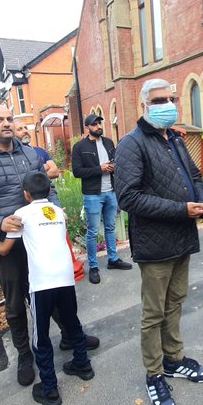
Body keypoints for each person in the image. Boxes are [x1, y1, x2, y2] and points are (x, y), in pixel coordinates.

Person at [0, 105, 99, 387]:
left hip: (40, 238)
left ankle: (71, 336)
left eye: (10, 118)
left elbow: (48, 188)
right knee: (16, 303)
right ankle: (24, 354)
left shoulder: (28, 153)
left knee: (51, 290)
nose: (7, 123)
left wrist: (55, 211)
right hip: (8, 242)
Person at [113, 78, 203, 405]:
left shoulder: (175, 140)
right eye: (159, 100)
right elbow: (129, 198)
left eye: (170, 98)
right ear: (144, 106)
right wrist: (181, 209)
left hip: (182, 238)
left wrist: (200, 201)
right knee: (154, 312)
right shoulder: (132, 144)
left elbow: (195, 176)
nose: (167, 104)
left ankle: (174, 359)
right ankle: (154, 374)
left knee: (175, 302)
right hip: (155, 244)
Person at [0, 171, 93, 405]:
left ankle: (49, 389)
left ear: (26, 194)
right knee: (72, 322)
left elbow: (4, 250)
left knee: (40, 337)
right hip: (65, 278)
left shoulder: (21, 214)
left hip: (42, 283)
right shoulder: (58, 211)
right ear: (48, 190)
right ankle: (83, 365)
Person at [71, 113, 132, 284]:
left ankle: (113, 259)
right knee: (92, 232)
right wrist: (100, 169)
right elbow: (77, 172)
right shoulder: (79, 147)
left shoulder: (108, 142)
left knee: (111, 228)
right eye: (94, 124)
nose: (98, 126)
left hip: (110, 192)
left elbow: (116, 162)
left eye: (99, 123)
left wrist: (113, 167)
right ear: (87, 127)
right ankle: (94, 267)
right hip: (93, 195)